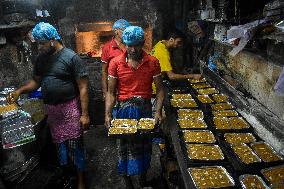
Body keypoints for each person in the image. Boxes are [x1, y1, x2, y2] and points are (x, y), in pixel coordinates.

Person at [6, 22, 89, 189]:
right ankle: (68, 176)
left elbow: (83, 87)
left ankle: (81, 181)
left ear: (52, 39)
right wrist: (19, 91)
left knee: (75, 146)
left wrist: (85, 114)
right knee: (60, 148)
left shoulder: (71, 57)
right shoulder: (41, 59)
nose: (39, 47)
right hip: (52, 110)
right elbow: (36, 82)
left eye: (42, 43)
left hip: (70, 109)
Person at [105, 26, 164, 188]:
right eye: (128, 45)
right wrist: (108, 114)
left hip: (144, 110)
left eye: (136, 45)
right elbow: (111, 93)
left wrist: (158, 111)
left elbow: (159, 90)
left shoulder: (152, 62)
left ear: (143, 43)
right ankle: (126, 180)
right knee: (124, 147)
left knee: (144, 146)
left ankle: (142, 179)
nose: (132, 49)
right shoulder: (115, 63)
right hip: (124, 110)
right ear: (124, 43)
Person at [101, 19, 131, 98]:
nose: (126, 33)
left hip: (129, 86)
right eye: (124, 30)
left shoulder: (130, 45)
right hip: (114, 86)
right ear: (116, 31)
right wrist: (105, 91)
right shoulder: (107, 47)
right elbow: (104, 71)